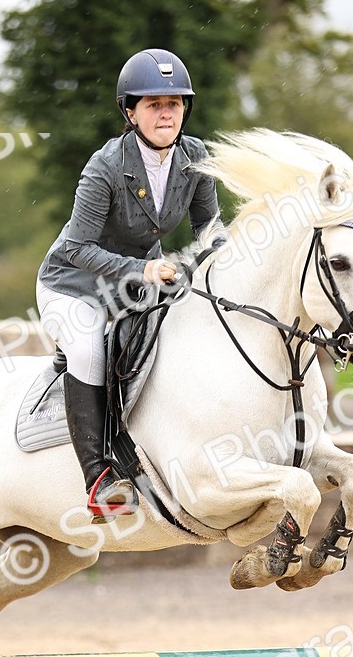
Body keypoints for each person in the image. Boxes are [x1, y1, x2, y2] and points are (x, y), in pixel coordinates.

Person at [36, 47, 222, 521]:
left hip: (139, 282)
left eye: (175, 103)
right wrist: (142, 270)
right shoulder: (104, 167)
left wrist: (231, 260)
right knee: (88, 350)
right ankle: (98, 478)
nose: (167, 113)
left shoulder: (194, 157)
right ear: (131, 111)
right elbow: (77, 248)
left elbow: (210, 230)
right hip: (73, 284)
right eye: (155, 104)